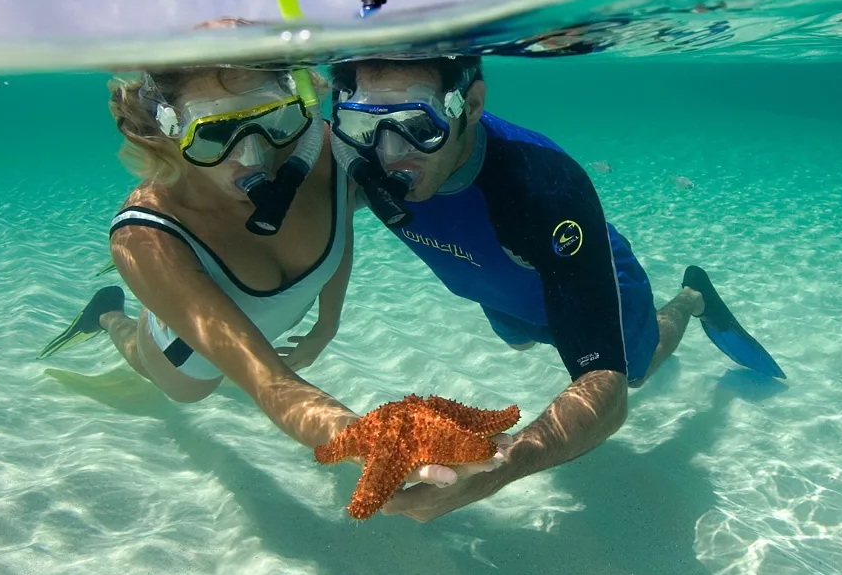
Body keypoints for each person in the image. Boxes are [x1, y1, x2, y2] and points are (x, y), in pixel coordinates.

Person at [329, 54, 784, 521]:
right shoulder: (354, 154)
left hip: (583, 278)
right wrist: (325, 322)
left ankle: (692, 298)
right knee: (522, 342)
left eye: (417, 126)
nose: (388, 153)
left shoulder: (543, 189)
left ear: (471, 104)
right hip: (497, 289)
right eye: (366, 125)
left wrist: (496, 472)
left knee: (633, 372)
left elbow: (604, 391)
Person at [37, 56, 501, 489]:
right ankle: (109, 315)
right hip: (183, 359)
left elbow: (337, 227)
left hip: (266, 318)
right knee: (166, 377)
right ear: (169, 129)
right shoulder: (145, 238)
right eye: (216, 134)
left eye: (274, 119)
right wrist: (374, 442)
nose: (254, 156)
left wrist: (327, 322)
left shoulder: (320, 150)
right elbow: (270, 381)